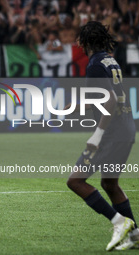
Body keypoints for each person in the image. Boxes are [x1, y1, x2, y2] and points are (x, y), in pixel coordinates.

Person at [66, 21, 138, 251]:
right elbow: (103, 97)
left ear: (83, 42)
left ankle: (120, 222)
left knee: (75, 181)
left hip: (112, 133)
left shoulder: (95, 64)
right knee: (109, 183)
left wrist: (97, 134)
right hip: (126, 128)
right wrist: (74, 107)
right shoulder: (110, 59)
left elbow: (109, 99)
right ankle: (135, 235)